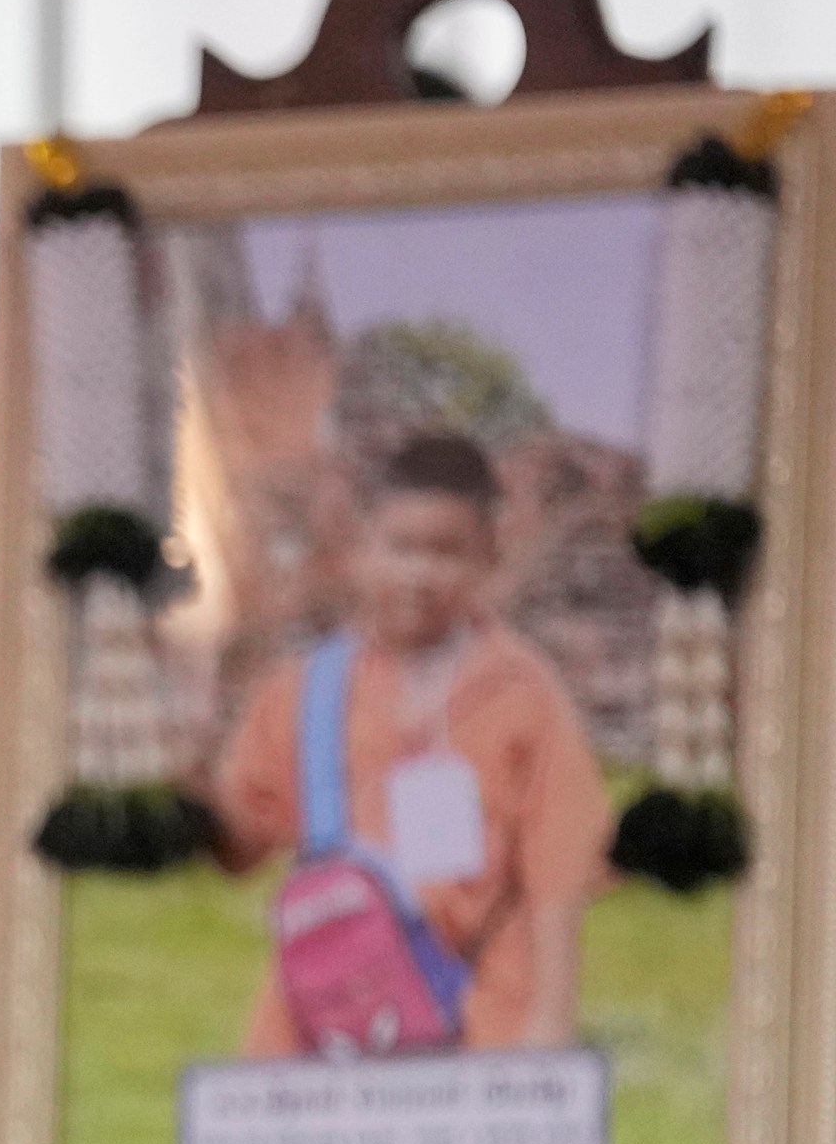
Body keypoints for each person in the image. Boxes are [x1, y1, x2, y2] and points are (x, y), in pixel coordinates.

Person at [214, 432, 613, 1053]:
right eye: (400, 548)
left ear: (488, 556)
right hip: (331, 1022)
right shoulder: (305, 692)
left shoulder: (523, 694)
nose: (420, 574)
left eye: (447, 553)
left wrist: (550, 1021)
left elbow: (559, 871)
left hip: (483, 1015)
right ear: (362, 549)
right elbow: (241, 842)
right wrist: (180, 793)